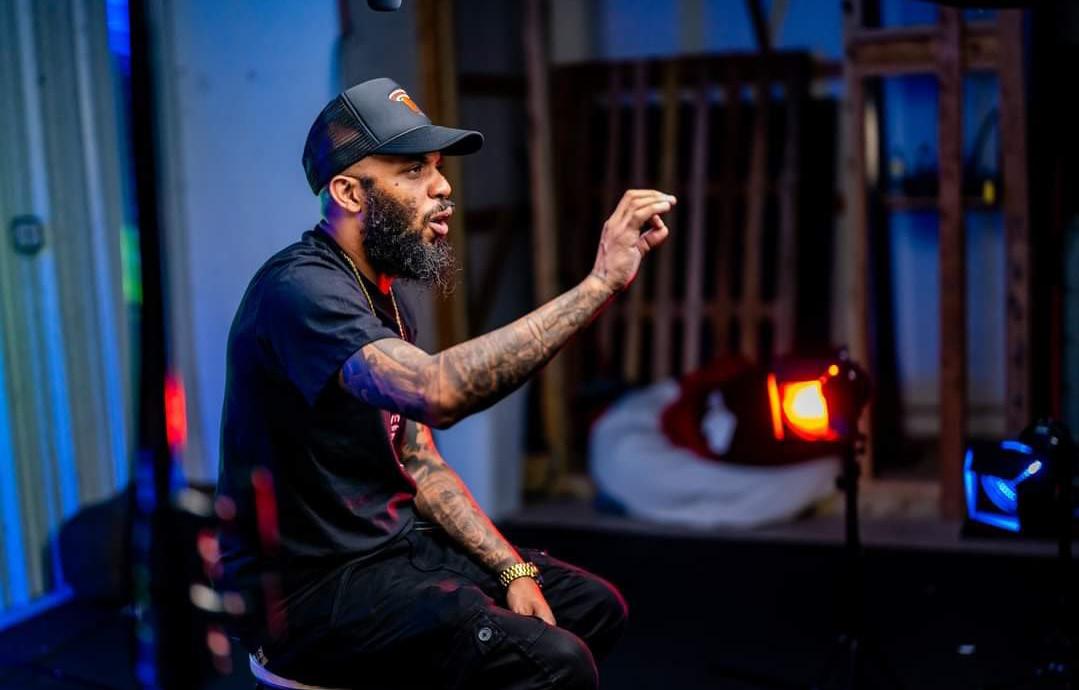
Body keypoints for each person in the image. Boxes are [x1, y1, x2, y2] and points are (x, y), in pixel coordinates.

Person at [216, 77, 676, 690]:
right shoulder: (299, 290)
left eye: (435, 167)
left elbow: (417, 459)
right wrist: (599, 285)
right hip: (308, 594)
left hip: (387, 552)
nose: (442, 187)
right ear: (348, 192)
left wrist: (511, 569)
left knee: (591, 607)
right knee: (556, 665)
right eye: (413, 171)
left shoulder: (382, 293)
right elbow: (437, 391)